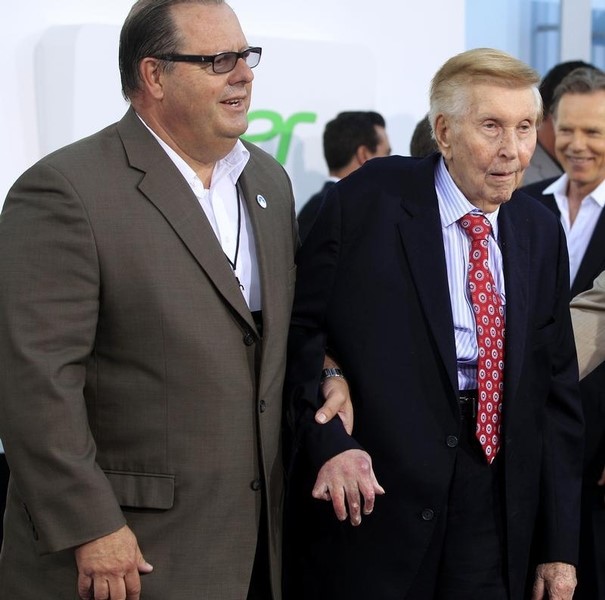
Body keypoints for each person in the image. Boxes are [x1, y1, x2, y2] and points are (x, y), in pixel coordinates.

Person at [0, 1, 349, 599]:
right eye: (217, 60)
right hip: (124, 553)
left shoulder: (268, 181)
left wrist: (328, 369)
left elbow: (272, 332)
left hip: (254, 549)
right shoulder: (65, 191)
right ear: (153, 76)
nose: (243, 74)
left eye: (245, 56)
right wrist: (92, 526)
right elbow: (35, 385)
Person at [284, 48, 583, 600]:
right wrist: (328, 434)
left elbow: (556, 391)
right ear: (443, 131)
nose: (513, 151)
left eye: (523, 128)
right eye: (491, 126)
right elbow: (297, 334)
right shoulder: (366, 203)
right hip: (376, 500)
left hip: (496, 510)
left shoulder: (538, 230)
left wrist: (559, 547)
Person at [522, 65, 605, 599]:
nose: (576, 145)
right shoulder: (524, 209)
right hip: (529, 455)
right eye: (566, 128)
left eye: (594, 131)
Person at [296, 110, 391, 242]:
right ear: (364, 155)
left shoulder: (320, 206)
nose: (391, 163)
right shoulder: (336, 209)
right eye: (386, 154)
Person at [523, 60, 596, 185]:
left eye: (592, 130)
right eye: (568, 128)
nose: (579, 144)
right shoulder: (519, 175)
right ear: (544, 111)